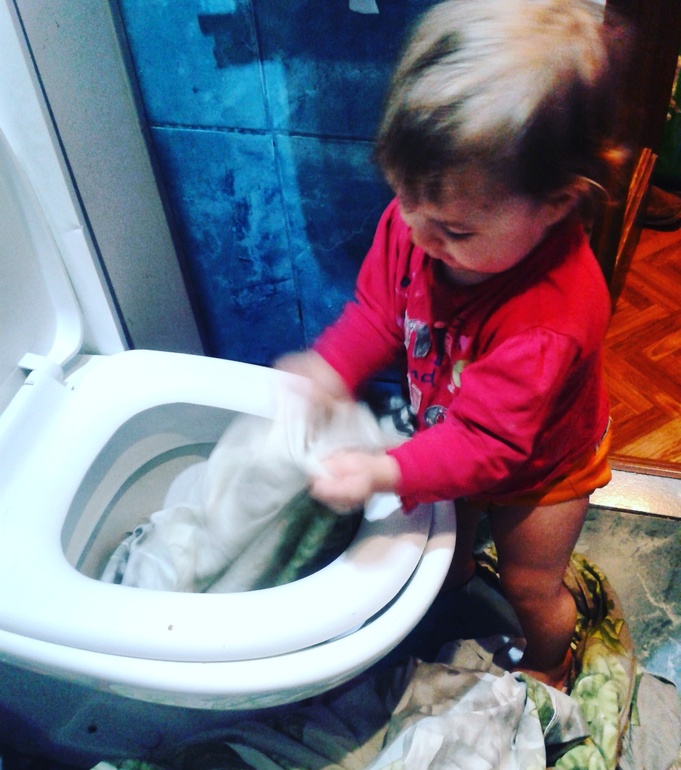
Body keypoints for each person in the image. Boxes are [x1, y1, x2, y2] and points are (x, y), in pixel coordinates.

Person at [277, 0, 627, 689]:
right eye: (405, 199)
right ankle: (457, 588)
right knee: (445, 547)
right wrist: (330, 367)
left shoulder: (549, 317)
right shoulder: (424, 219)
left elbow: (489, 446)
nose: (417, 233)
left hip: (543, 468)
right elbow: (378, 313)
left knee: (530, 584)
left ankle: (550, 665)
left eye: (456, 230)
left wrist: (383, 472)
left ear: (555, 204)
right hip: (454, 432)